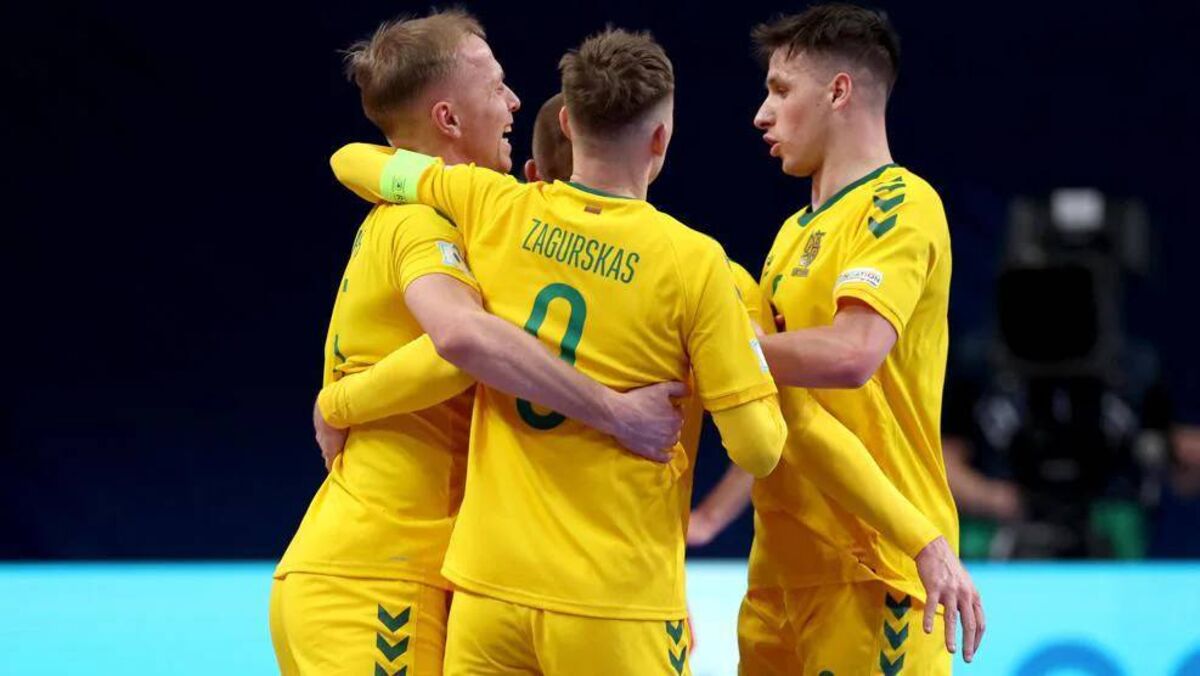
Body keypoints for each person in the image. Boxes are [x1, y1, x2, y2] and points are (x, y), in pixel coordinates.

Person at [269, 13, 683, 676]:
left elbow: (348, 159)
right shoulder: (421, 223)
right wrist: (616, 411)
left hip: (371, 572)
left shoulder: (447, 219)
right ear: (449, 118)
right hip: (379, 582)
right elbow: (458, 340)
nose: (515, 101)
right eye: (496, 86)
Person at [743, 4, 984, 673]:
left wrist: (720, 351)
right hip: (780, 571)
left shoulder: (902, 205)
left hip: (877, 569)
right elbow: (777, 403)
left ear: (839, 91)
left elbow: (853, 354)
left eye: (780, 90)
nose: (762, 114)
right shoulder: (791, 234)